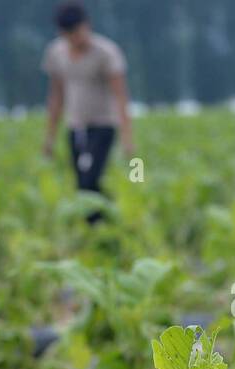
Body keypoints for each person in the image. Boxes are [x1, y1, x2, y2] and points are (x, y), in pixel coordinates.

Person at [41, 2, 134, 217]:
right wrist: (49, 138)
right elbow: (56, 97)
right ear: (62, 33)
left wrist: (128, 138)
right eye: (69, 34)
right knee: (82, 186)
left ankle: (106, 221)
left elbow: (121, 96)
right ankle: (104, 223)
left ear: (87, 26)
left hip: (103, 126)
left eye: (77, 32)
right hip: (75, 126)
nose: (75, 39)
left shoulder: (106, 53)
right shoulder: (56, 53)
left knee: (89, 179)